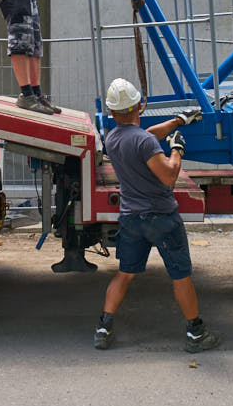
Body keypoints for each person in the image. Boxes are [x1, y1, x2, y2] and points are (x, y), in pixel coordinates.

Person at [93, 77, 219, 353]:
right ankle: (196, 334)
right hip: (161, 218)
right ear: (140, 105)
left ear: (113, 113)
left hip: (131, 219)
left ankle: (103, 328)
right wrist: (177, 149)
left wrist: (177, 121)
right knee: (180, 276)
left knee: (124, 274)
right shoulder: (145, 142)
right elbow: (169, 177)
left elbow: (145, 135)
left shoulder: (113, 138)